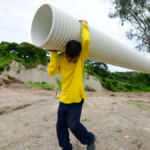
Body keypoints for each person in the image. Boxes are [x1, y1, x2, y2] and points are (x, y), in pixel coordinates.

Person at [46, 20, 96, 150]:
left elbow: (86, 41)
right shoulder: (61, 57)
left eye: (71, 57)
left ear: (78, 55)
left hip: (77, 98)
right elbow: (51, 72)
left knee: (73, 124)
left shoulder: (80, 58)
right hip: (65, 98)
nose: (68, 59)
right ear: (66, 52)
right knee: (61, 125)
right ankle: (66, 147)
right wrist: (53, 53)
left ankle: (90, 139)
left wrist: (84, 25)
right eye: (67, 56)